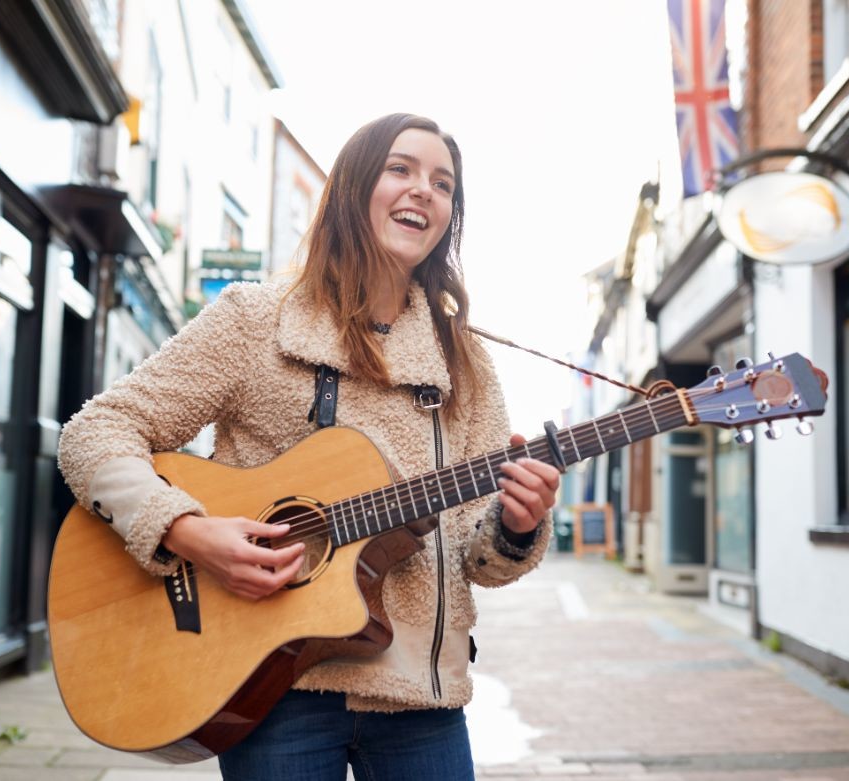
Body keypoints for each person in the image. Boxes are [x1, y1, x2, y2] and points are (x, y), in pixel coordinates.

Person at [57, 113, 559, 780]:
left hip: (421, 694)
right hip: (270, 687)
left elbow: (478, 559)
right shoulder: (252, 322)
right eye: (401, 169)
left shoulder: (465, 365)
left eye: (443, 183)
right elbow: (95, 431)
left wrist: (516, 526)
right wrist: (186, 530)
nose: (424, 191)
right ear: (352, 187)